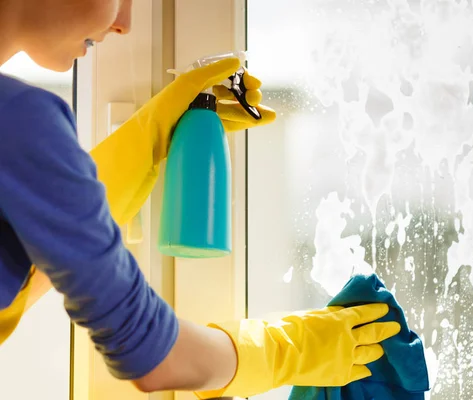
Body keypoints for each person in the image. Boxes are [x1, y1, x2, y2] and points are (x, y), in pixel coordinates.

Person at [0, 1, 401, 397]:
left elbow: (19, 266)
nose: (124, 23)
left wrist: (146, 140)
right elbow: (155, 358)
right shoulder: (22, 122)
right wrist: (287, 349)